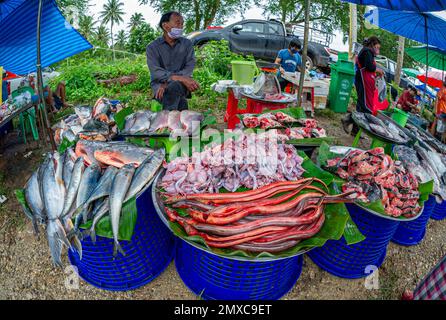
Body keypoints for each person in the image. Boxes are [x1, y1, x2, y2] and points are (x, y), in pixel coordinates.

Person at [146, 11, 199, 111]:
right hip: (159, 85)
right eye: (178, 23)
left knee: (174, 86)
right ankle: (180, 115)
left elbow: (189, 67)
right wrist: (178, 78)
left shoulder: (187, 44)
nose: (181, 27)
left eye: (182, 24)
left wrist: (171, 81)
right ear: (165, 26)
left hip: (182, 84)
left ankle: (168, 120)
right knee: (176, 95)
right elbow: (156, 72)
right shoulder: (152, 47)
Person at [342, 36, 385, 135]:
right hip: (363, 82)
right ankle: (348, 119)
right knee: (366, 108)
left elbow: (369, 67)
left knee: (361, 107)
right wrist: (377, 70)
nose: (378, 50)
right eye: (377, 47)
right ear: (373, 45)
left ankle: (355, 131)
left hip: (366, 83)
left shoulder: (368, 52)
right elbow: (369, 67)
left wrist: (376, 73)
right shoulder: (367, 51)